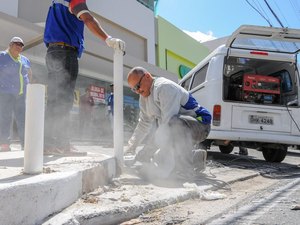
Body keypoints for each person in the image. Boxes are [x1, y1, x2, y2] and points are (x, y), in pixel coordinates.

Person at [43, 0, 125, 155]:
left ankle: (53, 144)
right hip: (65, 53)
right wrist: (108, 39)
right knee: (62, 101)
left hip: (54, 52)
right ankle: (56, 144)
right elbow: (87, 18)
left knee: (57, 100)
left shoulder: (56, 3)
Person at [126, 66, 212, 180]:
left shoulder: (164, 87)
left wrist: (146, 152)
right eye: (134, 89)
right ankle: (197, 157)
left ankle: (185, 172)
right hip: (178, 126)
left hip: (201, 125)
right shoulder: (144, 97)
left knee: (175, 125)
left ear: (147, 76)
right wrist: (130, 148)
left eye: (138, 86)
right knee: (160, 158)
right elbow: (143, 124)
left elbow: (168, 126)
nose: (138, 91)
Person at [0, 37, 31, 151]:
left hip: (21, 95)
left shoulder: (25, 60)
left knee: (23, 120)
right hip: (5, 93)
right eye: (16, 44)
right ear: (10, 44)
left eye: (21, 45)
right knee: (5, 118)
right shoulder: (2, 56)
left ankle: (25, 144)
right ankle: (4, 144)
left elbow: (29, 74)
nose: (19, 46)